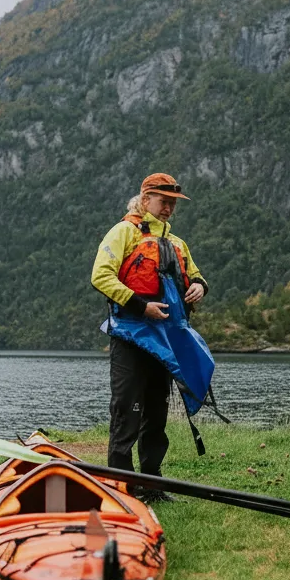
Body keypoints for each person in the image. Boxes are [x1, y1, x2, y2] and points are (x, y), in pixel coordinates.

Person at [91, 173, 217, 503]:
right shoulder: (124, 232)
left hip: (163, 341)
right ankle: (122, 488)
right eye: (164, 201)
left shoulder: (177, 243)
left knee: (156, 414)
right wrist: (141, 305)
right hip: (130, 337)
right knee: (126, 410)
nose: (169, 208)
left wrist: (199, 286)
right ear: (145, 200)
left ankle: (152, 485)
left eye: (173, 203)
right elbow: (100, 275)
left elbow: (196, 275)